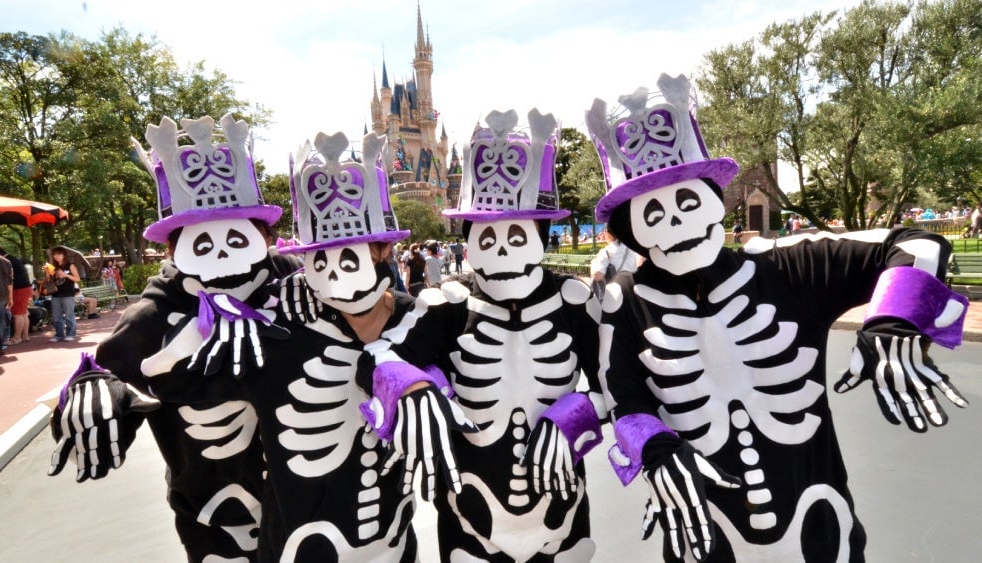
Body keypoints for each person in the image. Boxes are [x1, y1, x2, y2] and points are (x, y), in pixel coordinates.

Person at [586, 73, 969, 562]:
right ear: (631, 230)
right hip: (702, 535)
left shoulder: (783, 265)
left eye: (686, 201)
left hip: (819, 523)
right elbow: (625, 401)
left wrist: (895, 320)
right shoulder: (627, 300)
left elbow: (915, 244)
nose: (677, 221)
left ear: (712, 198)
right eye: (654, 212)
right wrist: (656, 451)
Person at [146, 130, 420, 560]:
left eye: (352, 257)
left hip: (394, 535)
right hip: (292, 540)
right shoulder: (272, 330)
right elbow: (171, 379)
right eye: (320, 259)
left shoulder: (415, 322)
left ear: (381, 254)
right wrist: (214, 322)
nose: (335, 276)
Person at [47, 114, 296, 561]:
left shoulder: (291, 285)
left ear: (263, 234)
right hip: (208, 512)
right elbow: (107, 369)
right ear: (176, 246)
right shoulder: (155, 313)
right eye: (201, 239)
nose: (221, 250)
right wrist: (93, 388)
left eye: (236, 233)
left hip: (303, 503)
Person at [362, 109, 604, 561]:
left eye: (517, 232)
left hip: (564, 519)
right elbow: (378, 358)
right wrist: (414, 387)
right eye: (486, 235)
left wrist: (576, 414)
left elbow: (621, 387)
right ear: (469, 239)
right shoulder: (447, 306)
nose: (502, 247)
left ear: (541, 234)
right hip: (467, 526)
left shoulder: (574, 302)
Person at [589, 225, 636, 302]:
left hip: (614, 295)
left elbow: (597, 275)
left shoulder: (606, 252)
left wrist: (593, 264)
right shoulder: (631, 249)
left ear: (608, 233)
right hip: (631, 291)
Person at [48, 245, 80, 342]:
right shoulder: (53, 267)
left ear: (64, 255)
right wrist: (47, 272)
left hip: (68, 293)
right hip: (55, 293)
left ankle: (71, 333)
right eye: (55, 255)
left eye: (59, 254)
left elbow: (77, 279)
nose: (56, 256)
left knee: (69, 314)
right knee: (56, 315)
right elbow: (49, 281)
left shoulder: (70, 265)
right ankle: (59, 334)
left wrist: (66, 275)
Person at [0, 248, 30, 346]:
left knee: (17, 314)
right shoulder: (13, 259)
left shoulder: (7, 261)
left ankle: (17, 337)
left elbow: (9, 278)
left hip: (18, 289)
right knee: (24, 313)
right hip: (26, 288)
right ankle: (25, 336)